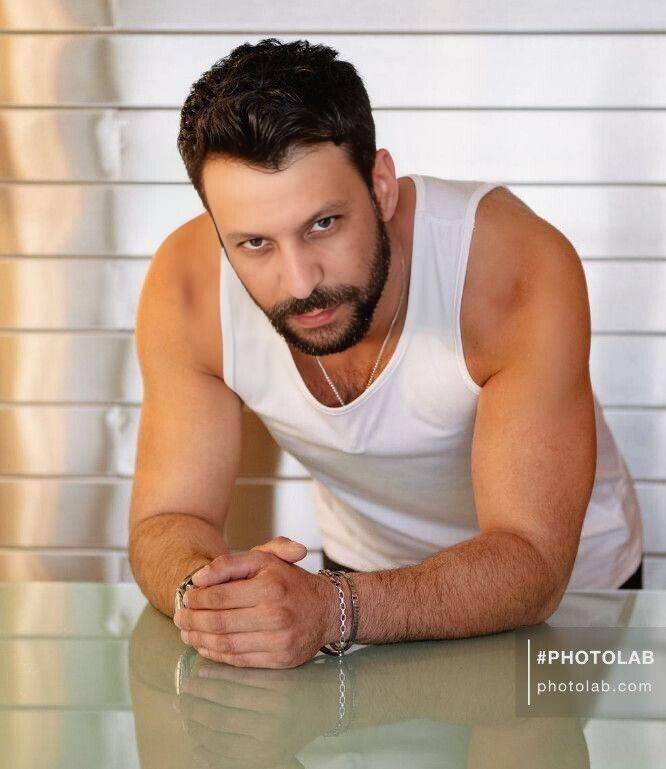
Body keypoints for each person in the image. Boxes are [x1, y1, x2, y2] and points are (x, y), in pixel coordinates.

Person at [128, 38, 644, 669]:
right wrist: (208, 599)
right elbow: (169, 518)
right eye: (255, 243)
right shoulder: (188, 289)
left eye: (323, 224)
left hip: (568, 600)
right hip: (360, 584)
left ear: (381, 186)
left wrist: (330, 609)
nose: (300, 282)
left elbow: (532, 558)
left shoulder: (510, 266)